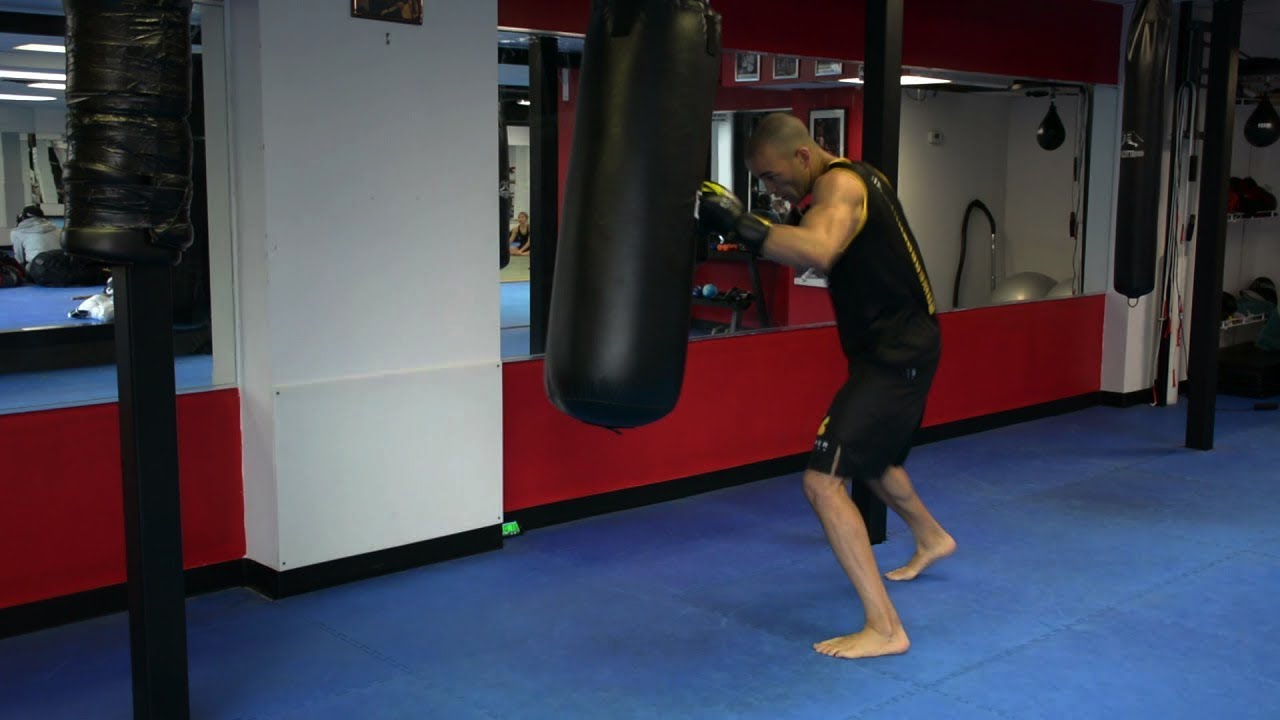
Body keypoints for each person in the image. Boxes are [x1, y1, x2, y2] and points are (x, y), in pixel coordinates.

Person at [698, 112, 955, 660]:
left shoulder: (839, 184)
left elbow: (819, 251)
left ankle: (886, 628)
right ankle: (933, 538)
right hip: (888, 350)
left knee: (822, 482)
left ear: (802, 156)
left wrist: (744, 223)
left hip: (896, 354)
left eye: (771, 177)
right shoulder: (856, 176)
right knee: (873, 458)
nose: (772, 188)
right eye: (761, 183)